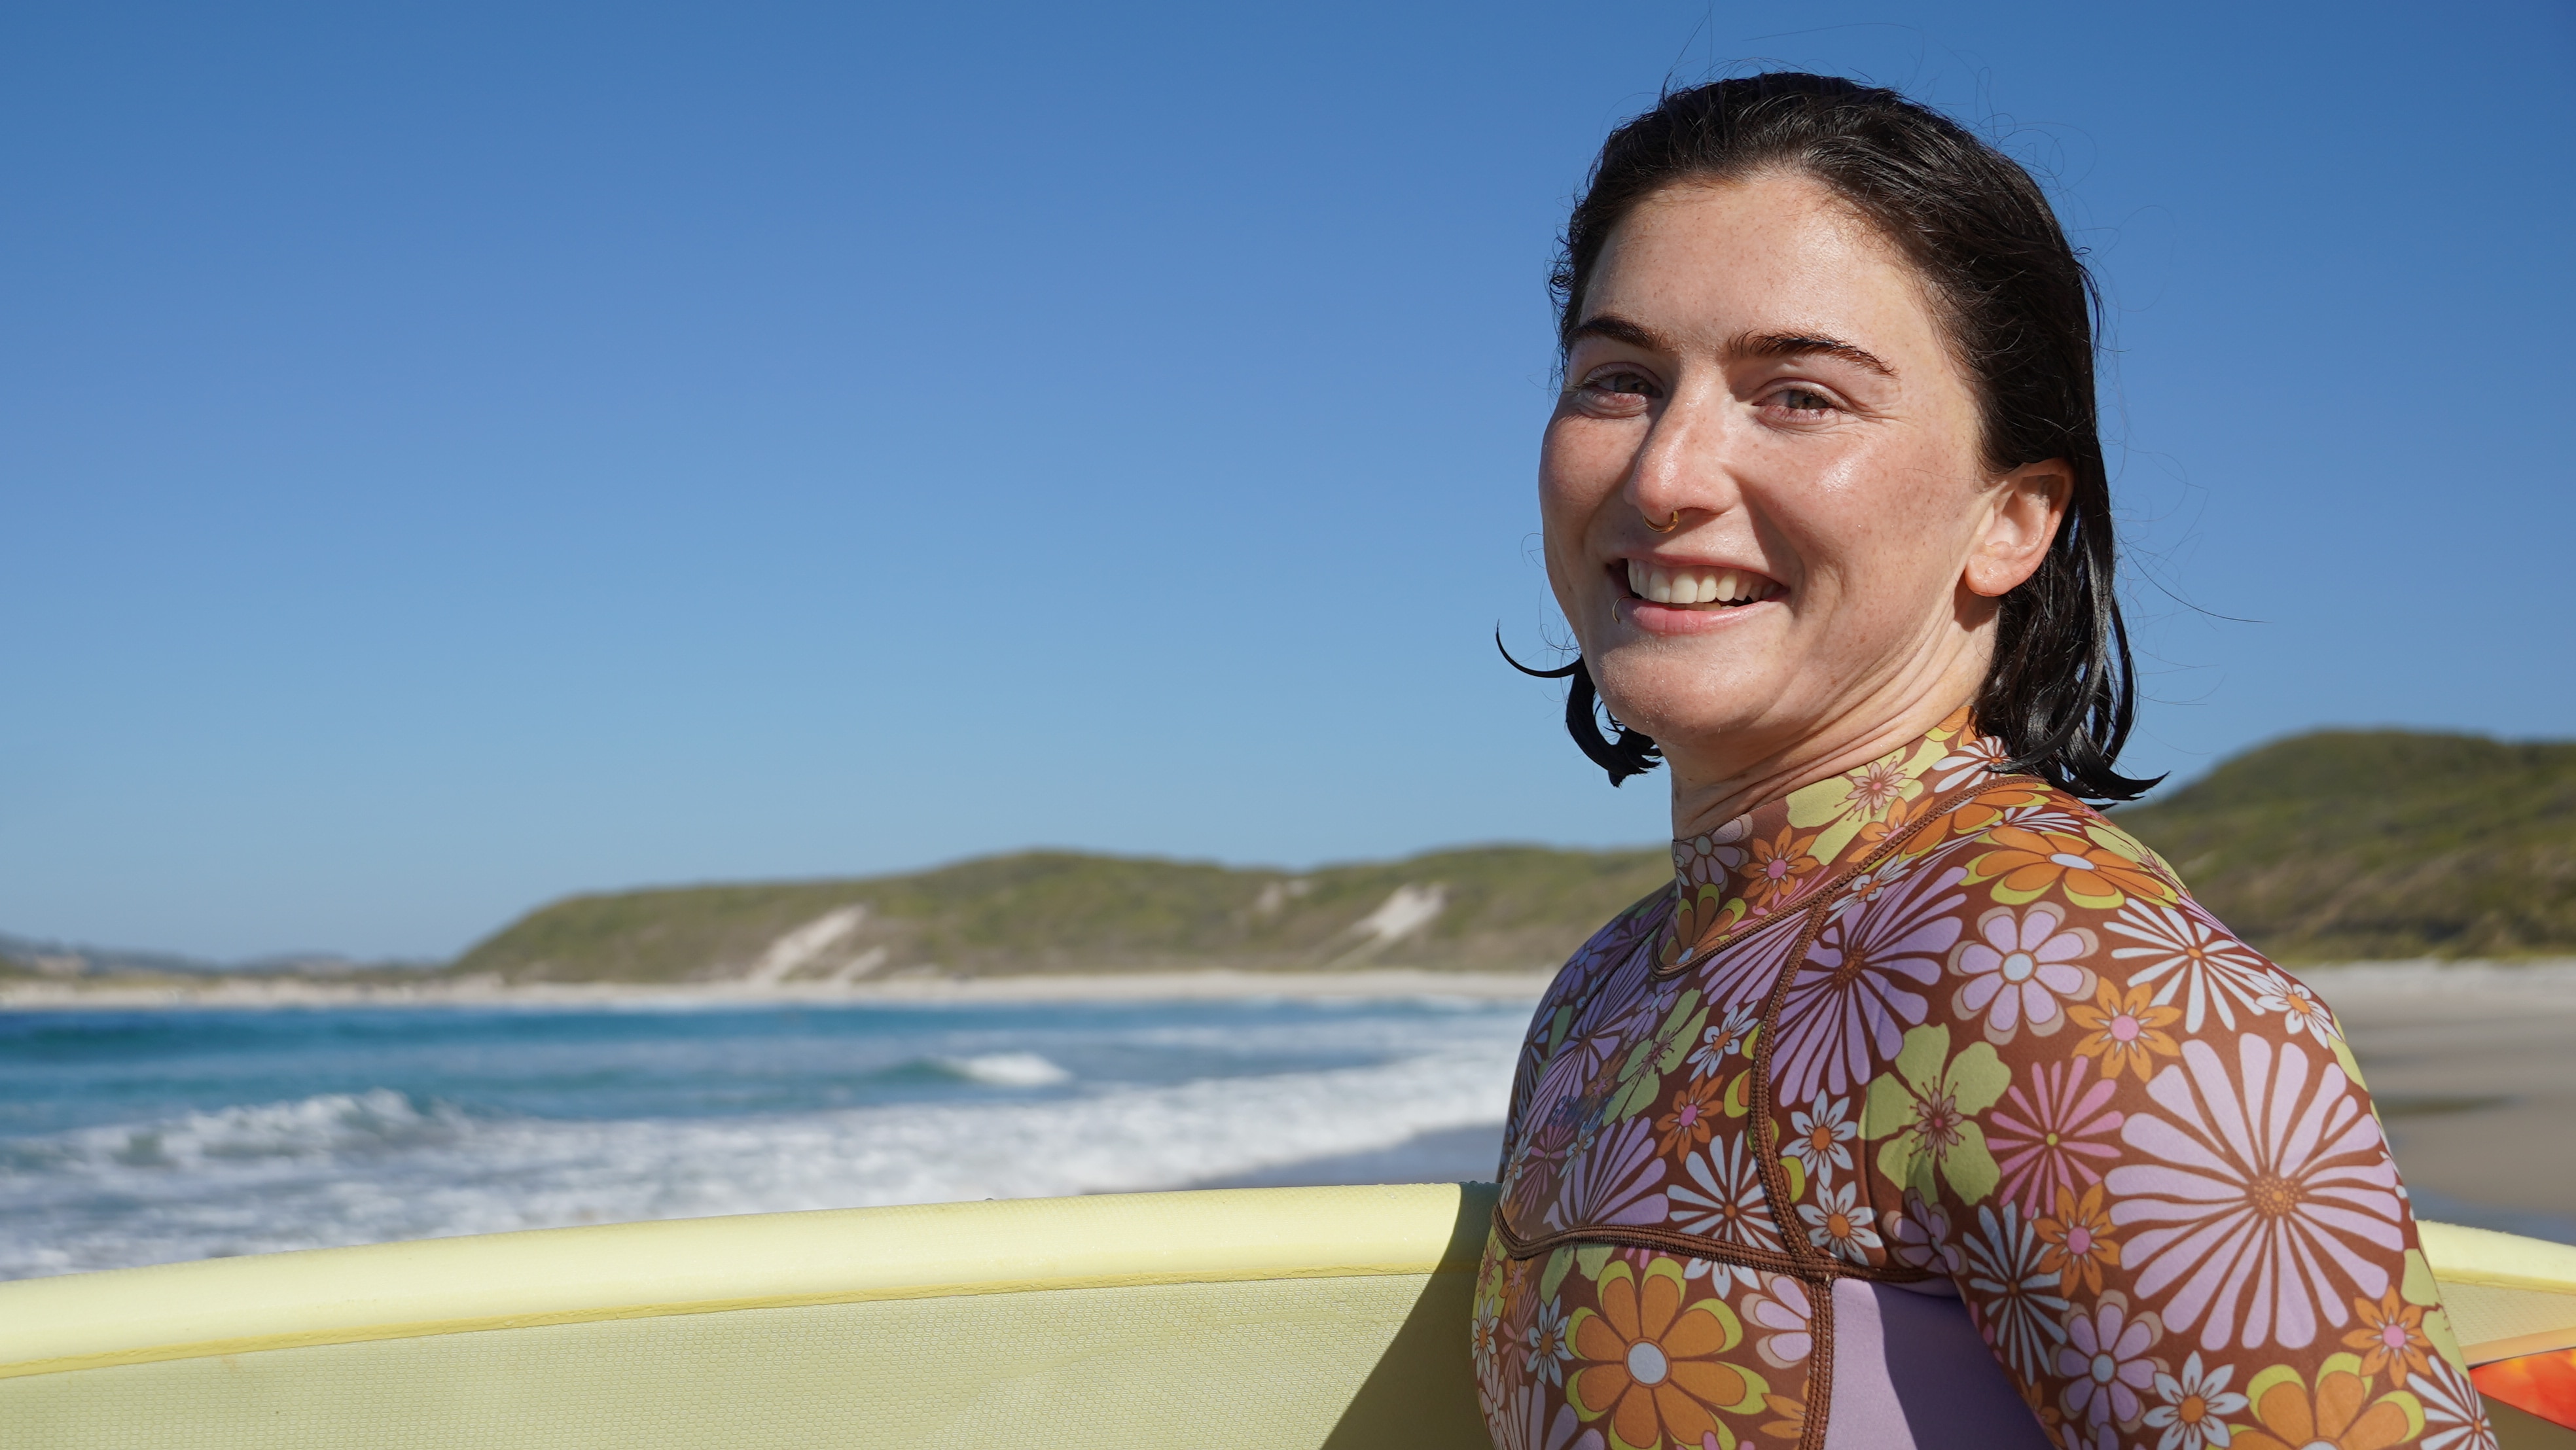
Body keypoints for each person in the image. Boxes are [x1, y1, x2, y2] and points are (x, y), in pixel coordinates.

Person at [1473, 75, 2494, 1450]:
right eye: (1619, 379)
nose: (1666, 472)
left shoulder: (2072, 983)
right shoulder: (1603, 990)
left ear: (2013, 519)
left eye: (1799, 395)